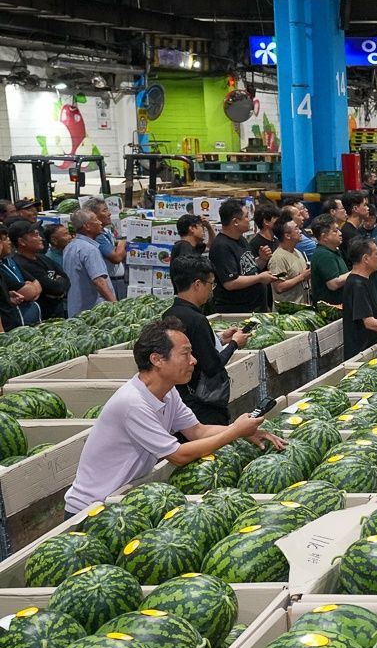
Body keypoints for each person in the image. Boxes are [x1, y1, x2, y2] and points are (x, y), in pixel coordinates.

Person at [63, 319, 283, 514]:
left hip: (121, 500)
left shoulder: (168, 392)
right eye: (185, 354)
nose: (193, 361)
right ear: (157, 360)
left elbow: (198, 431)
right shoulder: (132, 403)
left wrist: (244, 431)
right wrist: (234, 431)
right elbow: (177, 455)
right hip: (91, 510)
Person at [166, 256, 249, 425]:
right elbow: (212, 366)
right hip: (201, 405)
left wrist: (220, 339)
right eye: (211, 284)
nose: (212, 290)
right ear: (197, 284)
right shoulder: (197, 320)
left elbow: (192, 346)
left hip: (178, 398)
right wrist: (234, 344)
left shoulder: (168, 314)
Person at [210, 200, 274, 314]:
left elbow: (248, 268)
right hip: (237, 310)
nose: (249, 220)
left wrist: (262, 259)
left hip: (256, 307)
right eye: (246, 216)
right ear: (235, 222)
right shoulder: (221, 247)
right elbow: (230, 283)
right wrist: (260, 278)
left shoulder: (241, 239)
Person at [10, 220, 67, 320]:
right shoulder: (20, 264)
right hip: (43, 319)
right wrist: (58, 280)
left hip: (58, 313)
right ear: (22, 241)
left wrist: (59, 284)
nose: (41, 238)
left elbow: (65, 278)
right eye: (35, 235)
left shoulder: (42, 257)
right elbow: (56, 288)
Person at [63, 209, 115, 316]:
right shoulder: (90, 250)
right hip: (92, 313)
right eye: (96, 220)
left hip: (76, 310)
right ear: (87, 226)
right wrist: (116, 306)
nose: (100, 223)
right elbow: (99, 282)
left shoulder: (70, 246)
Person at [81, 198, 128, 300]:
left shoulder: (106, 231)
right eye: (104, 210)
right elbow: (116, 258)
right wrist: (122, 243)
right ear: (94, 215)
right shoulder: (98, 236)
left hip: (119, 281)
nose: (109, 213)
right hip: (111, 282)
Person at [0, 228, 42, 330]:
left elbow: (37, 283)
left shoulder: (9, 261)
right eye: (4, 239)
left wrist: (8, 296)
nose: (8, 241)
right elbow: (29, 292)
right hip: (10, 328)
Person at [267, 218, 313, 306]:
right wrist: (302, 277)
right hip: (287, 314)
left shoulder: (297, 251)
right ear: (287, 236)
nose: (300, 231)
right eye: (296, 229)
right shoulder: (278, 258)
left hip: (302, 308)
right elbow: (279, 287)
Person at [308, 214, 351, 306]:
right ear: (324, 237)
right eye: (335, 231)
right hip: (329, 313)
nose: (340, 233)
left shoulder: (333, 250)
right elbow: (333, 284)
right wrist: (356, 271)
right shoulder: (324, 255)